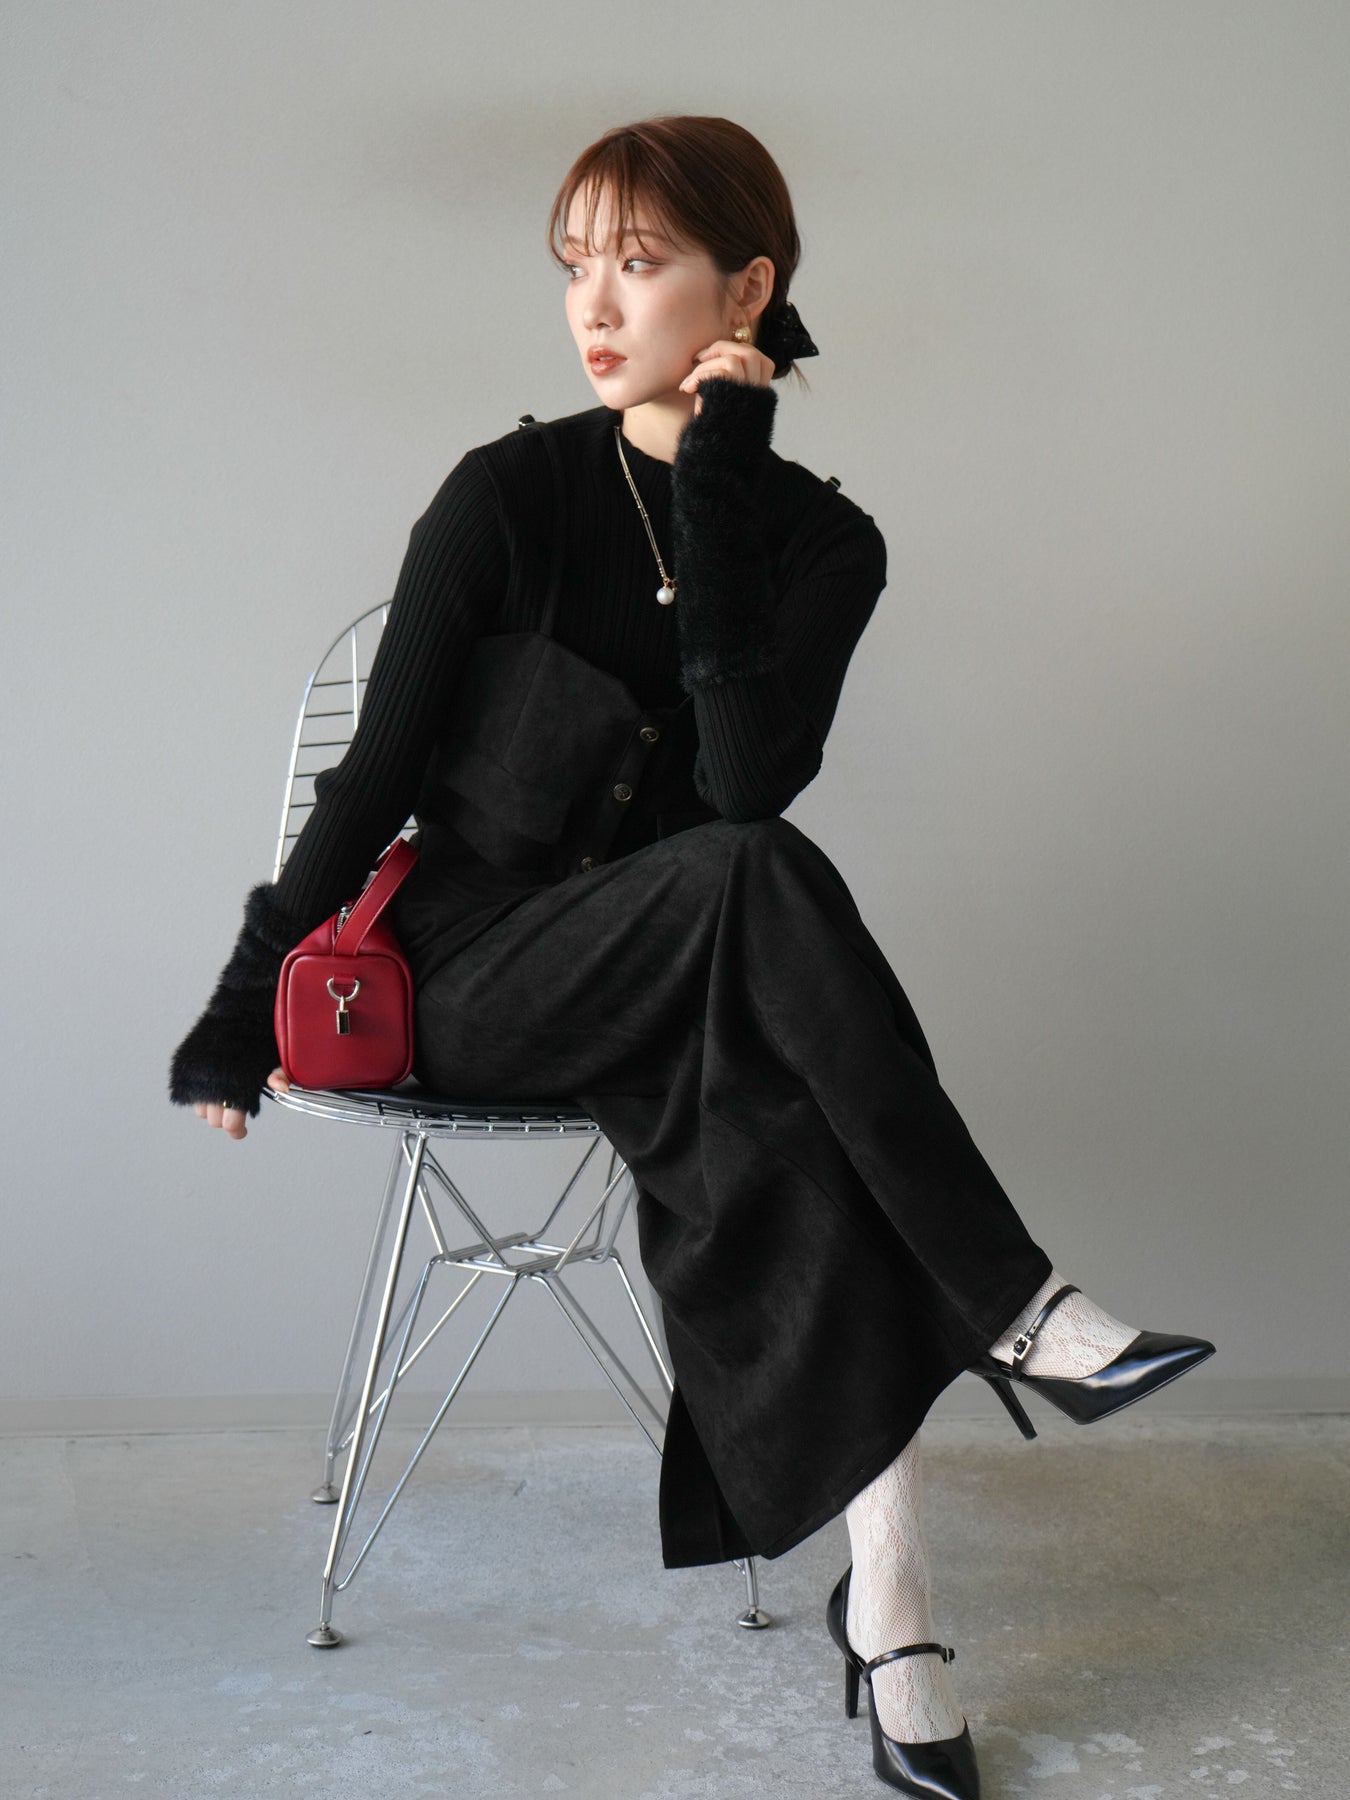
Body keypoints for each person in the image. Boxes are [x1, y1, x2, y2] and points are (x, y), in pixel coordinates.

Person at [168, 114, 1215, 1798]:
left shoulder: (822, 545)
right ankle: (1012, 1305)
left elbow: (738, 776)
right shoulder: (506, 495)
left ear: (745, 290)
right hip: (475, 977)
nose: (593, 304)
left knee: (785, 1082)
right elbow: (371, 783)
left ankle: (896, 1613)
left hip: (682, 984)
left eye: (640, 263)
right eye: (574, 264)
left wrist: (719, 473)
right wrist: (241, 1004)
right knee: (757, 882)